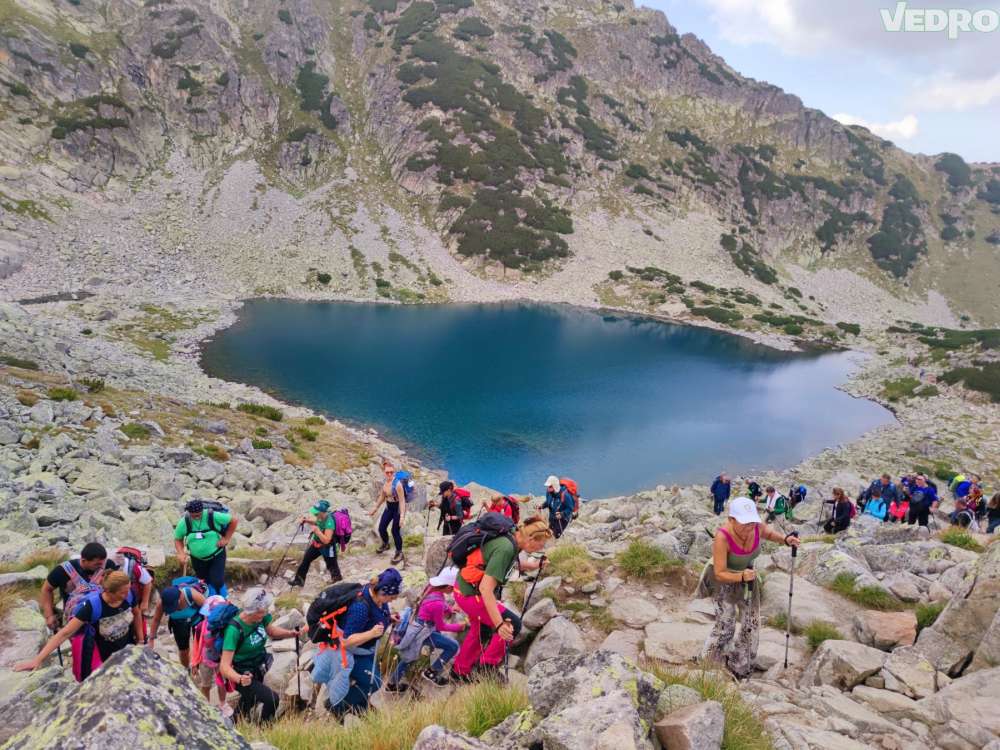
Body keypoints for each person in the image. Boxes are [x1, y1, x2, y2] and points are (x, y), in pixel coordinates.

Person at [702, 497, 800, 679]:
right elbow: (719, 573)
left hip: (748, 577)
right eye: (744, 523)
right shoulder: (722, 537)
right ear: (732, 520)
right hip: (723, 580)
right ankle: (708, 662)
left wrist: (786, 540)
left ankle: (741, 665)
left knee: (752, 622)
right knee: (726, 623)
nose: (749, 527)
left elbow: (768, 533)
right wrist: (740, 576)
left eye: (752, 522)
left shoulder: (756, 526)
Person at [452, 516, 552, 682]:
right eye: (540, 545)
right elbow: (486, 589)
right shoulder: (506, 548)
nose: (539, 549)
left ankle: (459, 671)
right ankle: (486, 668)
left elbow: (507, 563)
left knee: (481, 629)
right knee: (513, 624)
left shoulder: (512, 537)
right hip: (472, 595)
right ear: (531, 539)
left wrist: (534, 566)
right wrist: (500, 625)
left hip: (463, 589)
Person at [16, 570, 141, 681]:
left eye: (128, 590)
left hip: (127, 647)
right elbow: (64, 633)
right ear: (108, 591)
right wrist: (37, 660)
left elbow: (137, 613)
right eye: (122, 593)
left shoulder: (129, 595)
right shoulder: (92, 607)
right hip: (103, 657)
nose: (127, 594)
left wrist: (140, 640)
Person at [314, 569, 402, 717]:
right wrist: (371, 633)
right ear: (382, 592)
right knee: (374, 682)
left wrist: (389, 618)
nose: (393, 600)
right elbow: (346, 641)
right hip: (351, 652)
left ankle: (361, 705)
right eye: (392, 597)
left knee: (371, 681)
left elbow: (376, 615)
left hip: (366, 649)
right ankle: (337, 706)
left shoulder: (378, 598)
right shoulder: (360, 607)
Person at [218, 588, 301, 724]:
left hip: (259, 667)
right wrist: (240, 679)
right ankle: (264, 728)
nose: (266, 613)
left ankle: (232, 724)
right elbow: (224, 666)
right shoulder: (234, 630)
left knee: (250, 700)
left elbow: (271, 632)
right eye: (262, 611)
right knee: (272, 699)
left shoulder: (260, 618)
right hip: (242, 673)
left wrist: (290, 633)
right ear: (252, 611)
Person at [386, 567, 465, 691]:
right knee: (453, 646)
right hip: (423, 632)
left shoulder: (431, 588)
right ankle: (431, 672)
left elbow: (437, 605)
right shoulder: (437, 604)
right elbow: (441, 626)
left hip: (417, 626)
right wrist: (459, 627)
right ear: (449, 587)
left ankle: (392, 684)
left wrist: (449, 609)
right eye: (454, 587)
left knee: (409, 658)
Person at [41, 542, 119, 631]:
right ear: (83, 560)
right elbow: (46, 589)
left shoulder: (108, 565)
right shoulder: (63, 571)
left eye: (103, 562)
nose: (101, 567)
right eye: (97, 564)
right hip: (75, 619)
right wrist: (49, 615)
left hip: (102, 617)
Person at [174, 499, 238, 597]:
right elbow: (178, 539)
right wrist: (181, 553)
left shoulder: (212, 516)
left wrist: (226, 538)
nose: (196, 517)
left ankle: (223, 599)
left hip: (217, 555)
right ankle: (209, 599)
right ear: (189, 513)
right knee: (203, 580)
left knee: (217, 580)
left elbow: (234, 520)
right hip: (197, 558)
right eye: (193, 516)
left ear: (202, 510)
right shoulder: (184, 522)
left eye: (199, 515)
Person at [147, 581, 207, 668]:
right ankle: (186, 669)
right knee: (183, 651)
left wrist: (208, 629)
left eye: (173, 607)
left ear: (179, 599)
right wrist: (151, 639)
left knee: (200, 648)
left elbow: (208, 610)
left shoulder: (192, 594)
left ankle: (198, 667)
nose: (173, 610)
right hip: (178, 622)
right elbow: (156, 620)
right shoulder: (161, 604)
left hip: (197, 619)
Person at [292, 500, 342, 586]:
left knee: (332, 565)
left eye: (316, 512)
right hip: (316, 544)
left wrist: (317, 532)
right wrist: (306, 521)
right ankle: (299, 580)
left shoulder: (330, 522)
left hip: (328, 547)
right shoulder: (320, 517)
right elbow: (316, 522)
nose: (314, 514)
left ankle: (337, 582)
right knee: (306, 560)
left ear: (322, 512)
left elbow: (327, 540)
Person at [370, 461, 406, 564]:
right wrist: (375, 508)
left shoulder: (397, 484)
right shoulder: (385, 483)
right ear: (384, 472)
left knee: (395, 531)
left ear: (394, 472)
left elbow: (402, 501)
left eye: (391, 472)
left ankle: (399, 552)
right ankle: (386, 544)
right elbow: (382, 496)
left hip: (397, 508)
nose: (389, 474)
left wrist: (402, 516)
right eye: (387, 472)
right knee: (381, 528)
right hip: (389, 507)